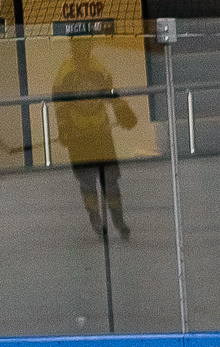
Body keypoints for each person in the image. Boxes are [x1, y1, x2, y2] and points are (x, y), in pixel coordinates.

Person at [51, 36, 136, 241]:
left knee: (111, 180)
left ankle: (118, 220)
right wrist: (64, 127)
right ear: (72, 47)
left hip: (101, 132)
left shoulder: (99, 68)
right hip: (78, 137)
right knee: (87, 182)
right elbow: (60, 104)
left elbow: (110, 93)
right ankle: (95, 219)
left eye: (85, 45)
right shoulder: (65, 73)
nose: (82, 49)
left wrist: (123, 111)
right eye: (78, 45)